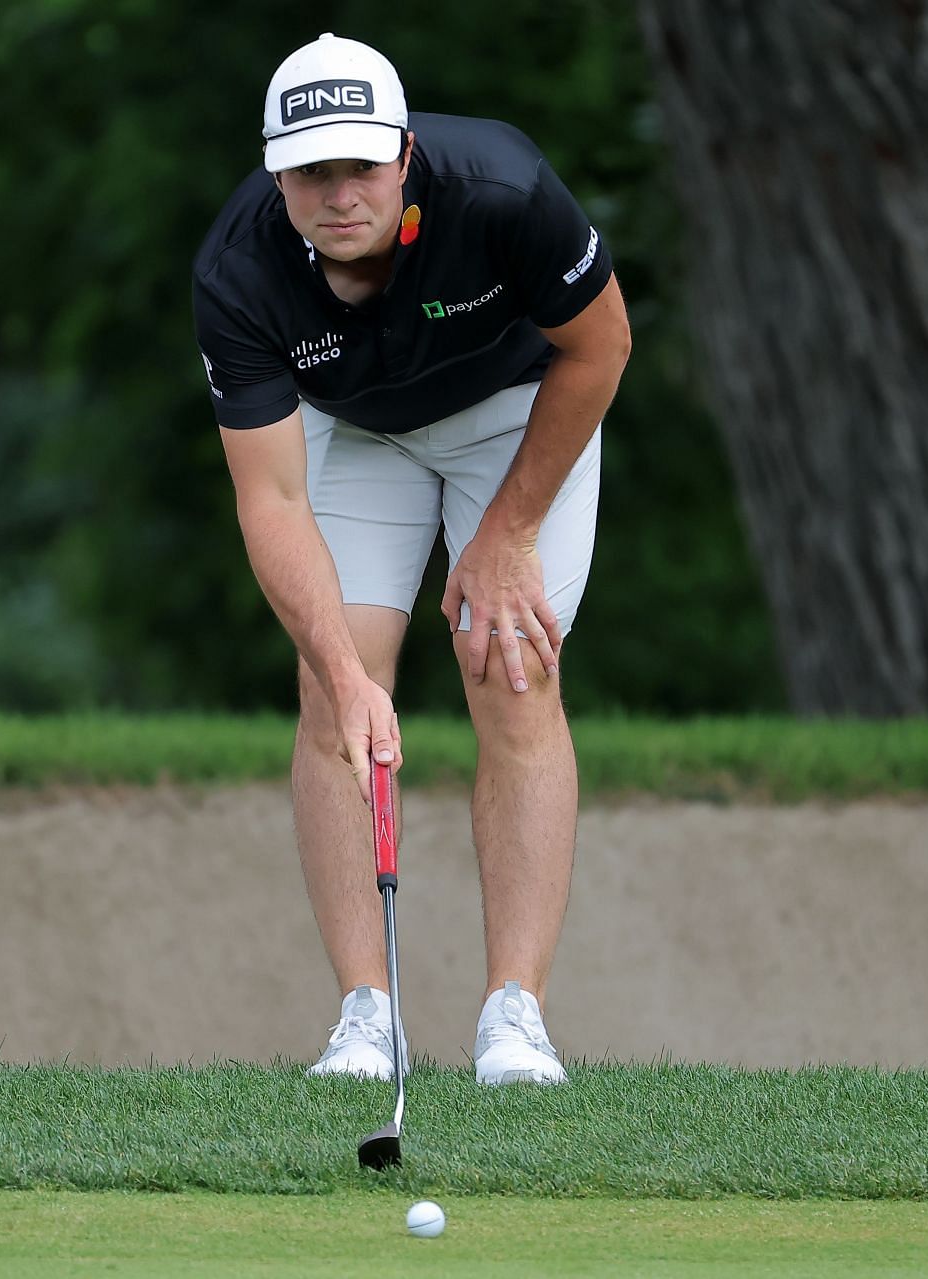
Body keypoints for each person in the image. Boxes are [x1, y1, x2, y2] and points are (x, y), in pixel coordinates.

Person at [191, 33, 629, 1085]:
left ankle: (513, 1016)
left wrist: (508, 533)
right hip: (362, 435)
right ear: (275, 174)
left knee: (509, 664)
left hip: (519, 418)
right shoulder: (237, 269)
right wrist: (346, 672)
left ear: (403, 151)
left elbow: (601, 348)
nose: (340, 193)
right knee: (330, 684)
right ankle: (365, 1014)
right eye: (310, 171)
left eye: (359, 165)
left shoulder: (504, 190)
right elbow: (272, 494)